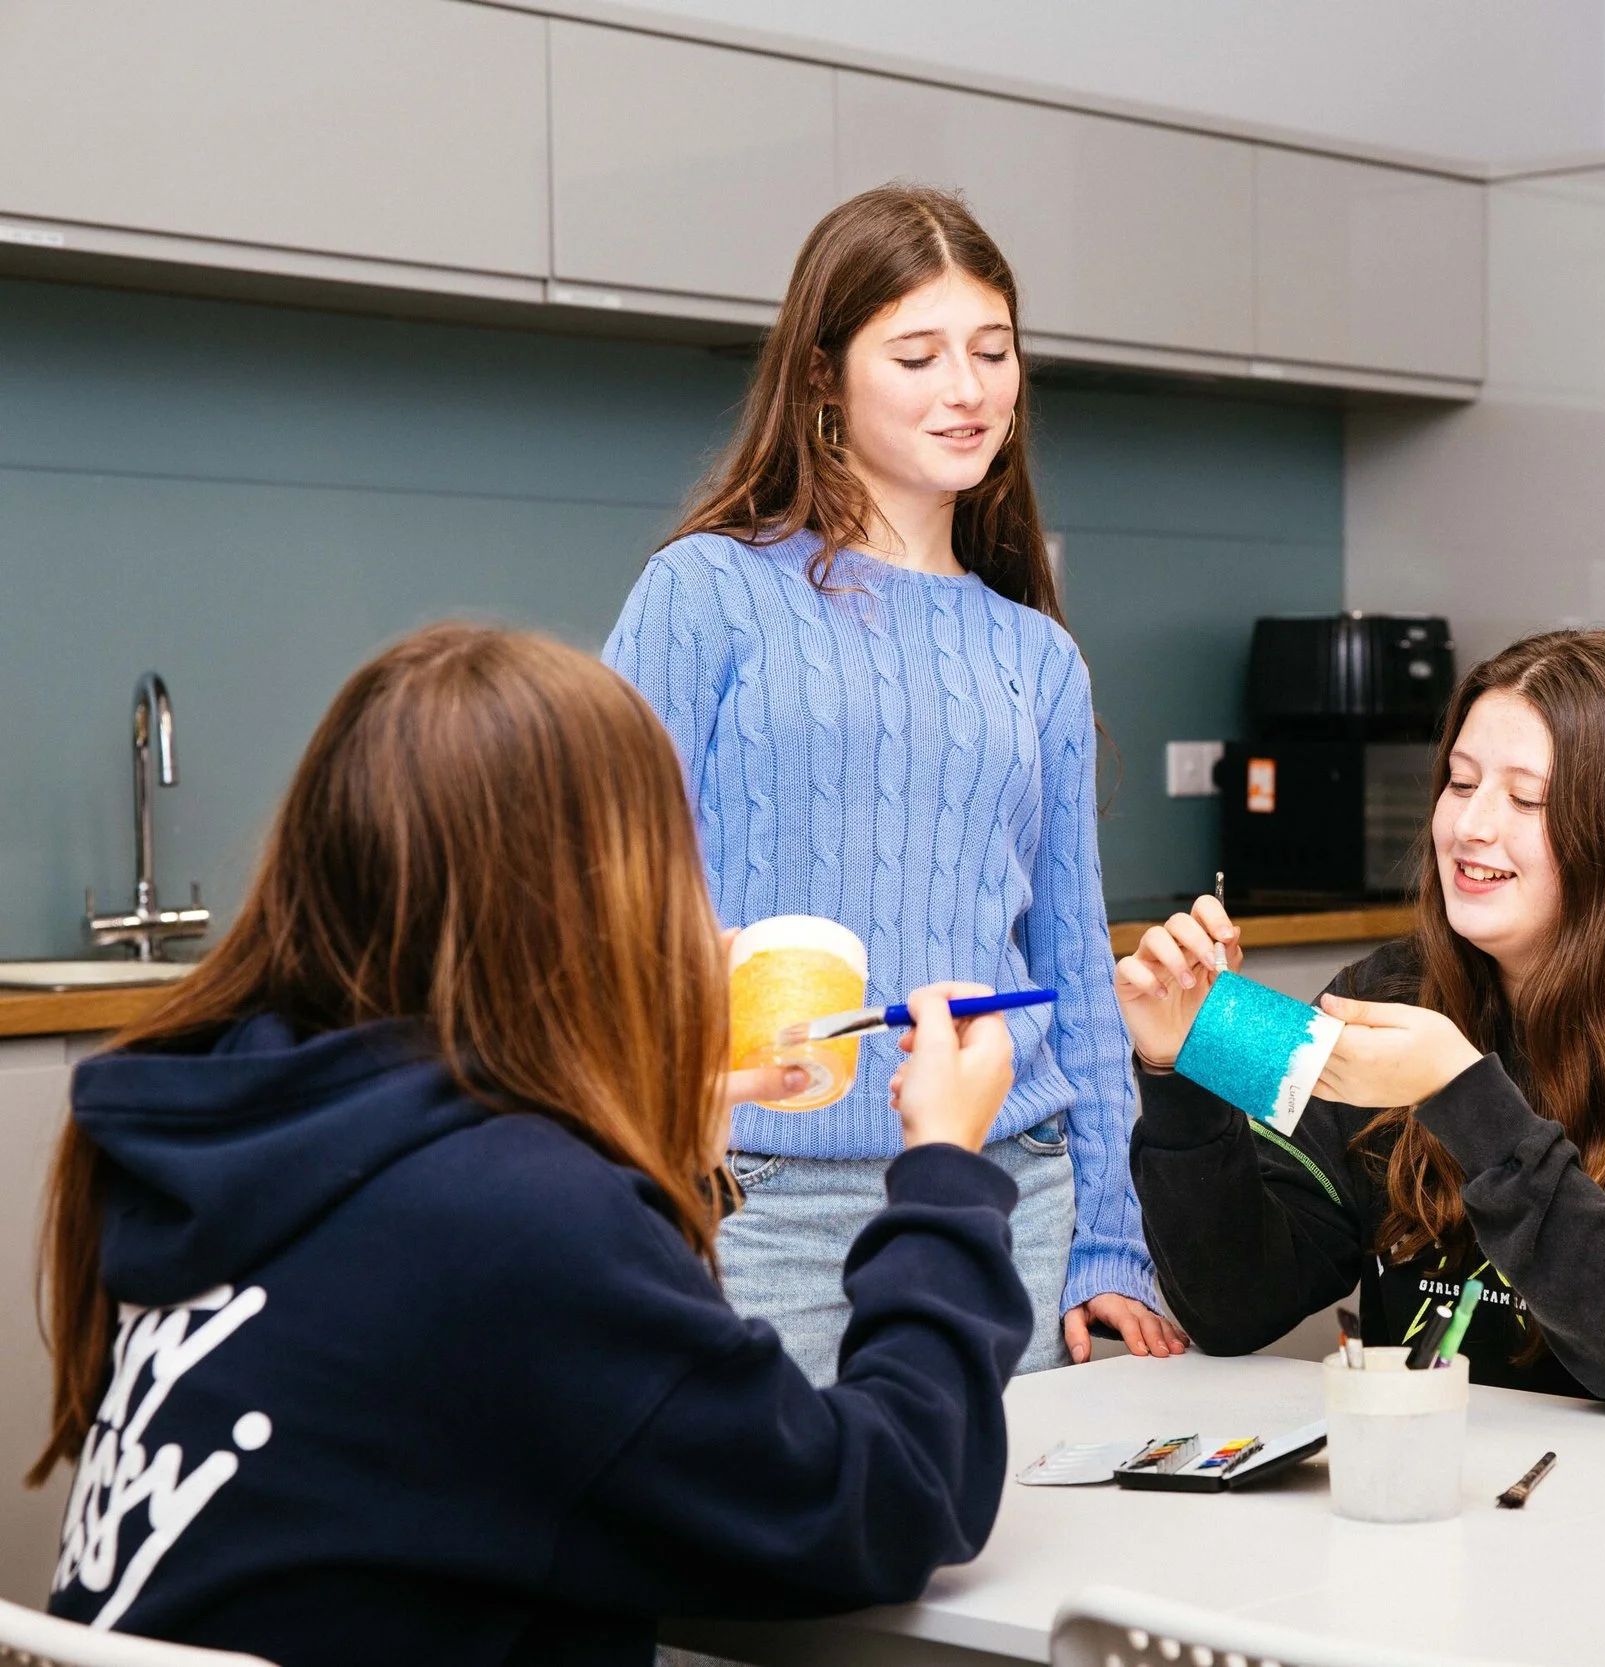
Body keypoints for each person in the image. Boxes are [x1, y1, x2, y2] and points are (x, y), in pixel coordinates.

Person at [34, 624, 1033, 1663]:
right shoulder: (516, 1215)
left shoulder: (249, 1126)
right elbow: (885, 1501)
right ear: (605, 901)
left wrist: (652, 1133)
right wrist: (946, 1169)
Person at [604, 184, 1176, 1377]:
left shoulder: (1035, 654)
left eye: (993, 351)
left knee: (994, 1555)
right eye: (916, 354)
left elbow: (1072, 966)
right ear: (823, 377)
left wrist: (1111, 1238)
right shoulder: (705, 592)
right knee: (769, 1553)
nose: (966, 390)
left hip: (1004, 1194)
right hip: (756, 1199)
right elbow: (600, 891)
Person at [1119, 630, 1605, 1416]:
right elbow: (1235, 1307)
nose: (1469, 826)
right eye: (1460, 781)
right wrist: (1183, 1069)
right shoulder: (1384, 990)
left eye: (1526, 798)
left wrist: (1463, 1092)